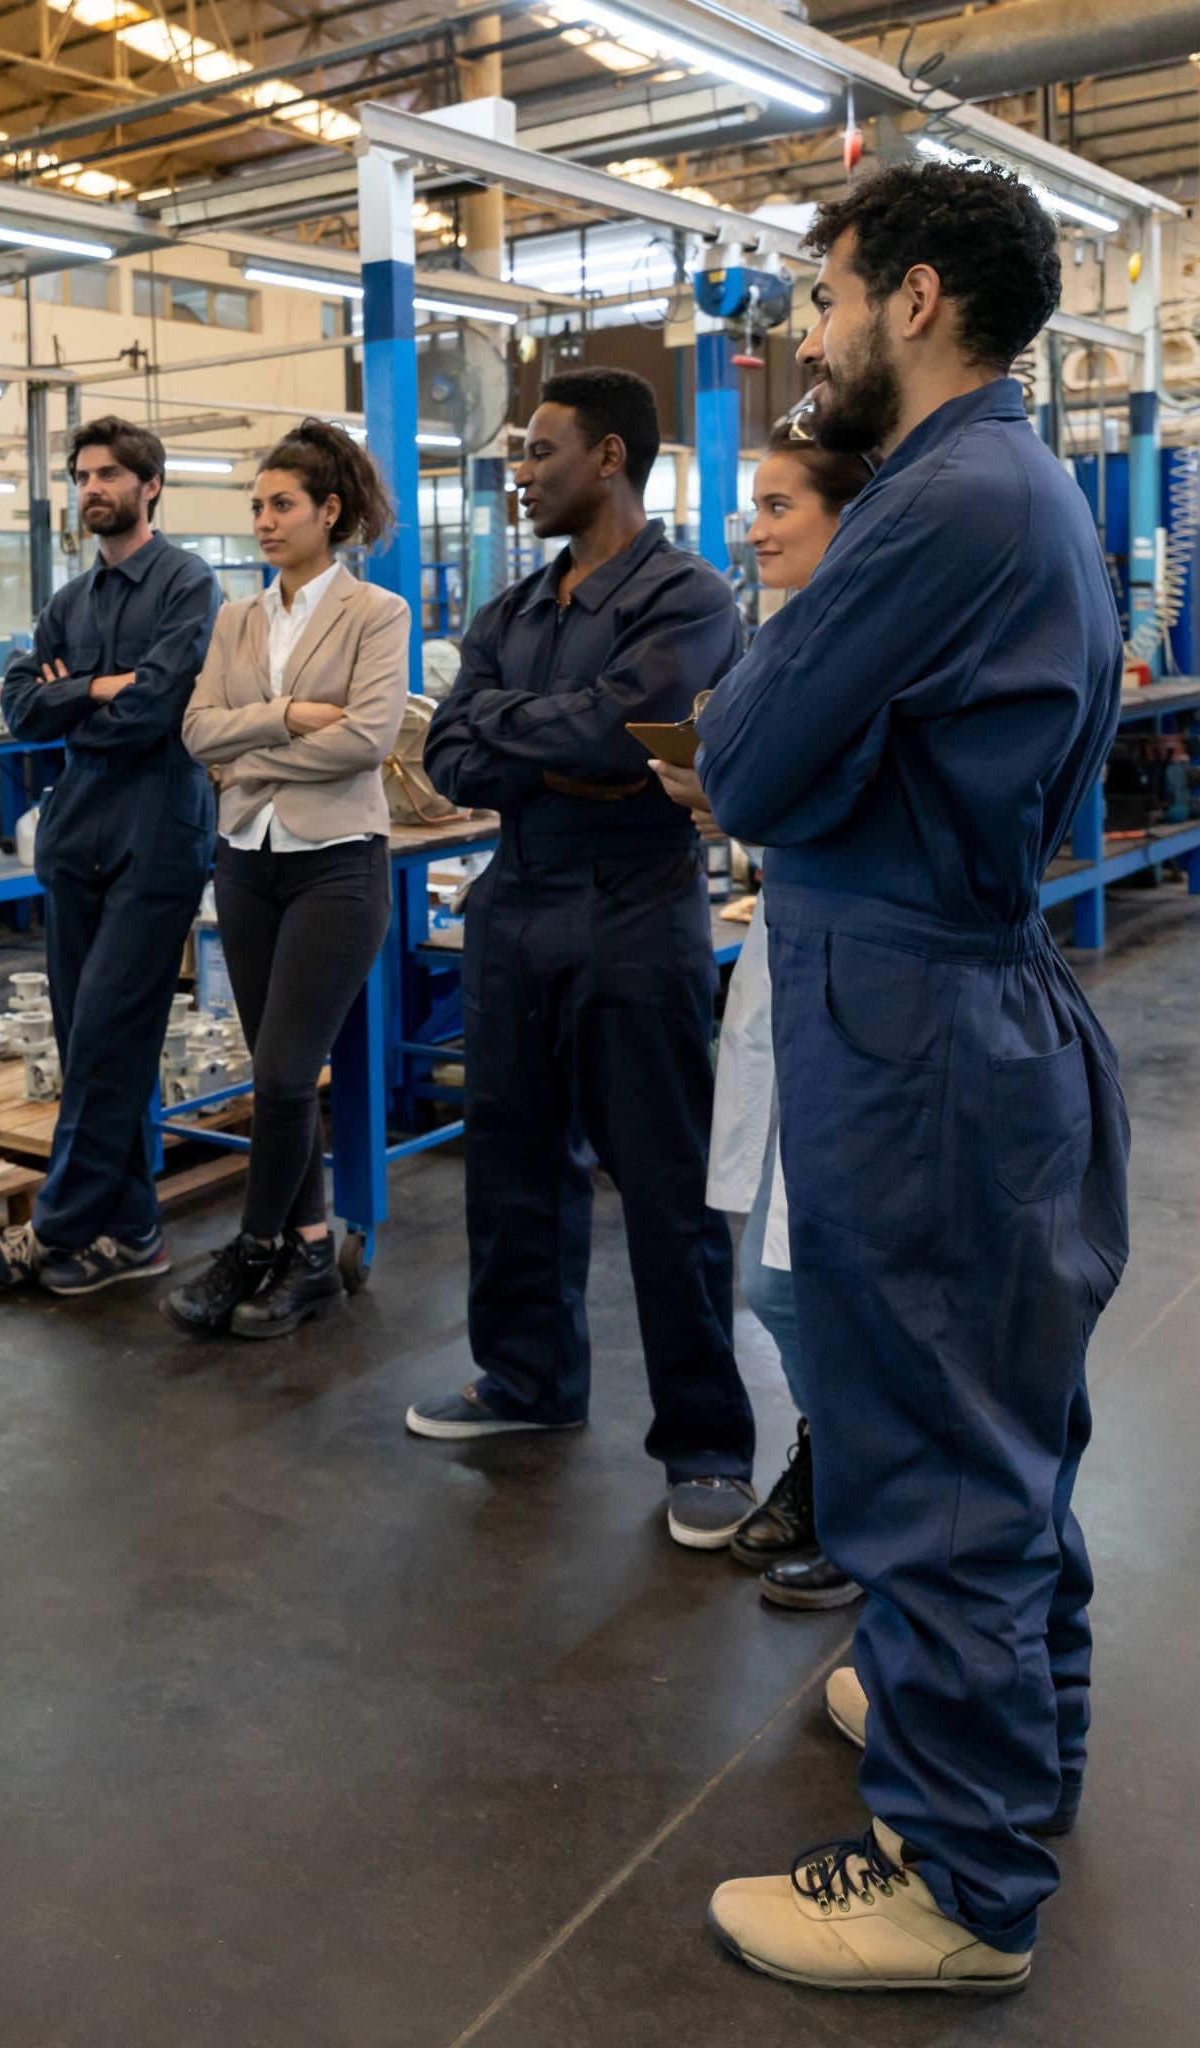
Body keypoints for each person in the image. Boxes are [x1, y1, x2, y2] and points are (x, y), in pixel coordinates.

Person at [699, 162, 1129, 1994]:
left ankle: (954, 1879)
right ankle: (1002, 1732)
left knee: (931, 1445)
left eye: (823, 295)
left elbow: (744, 756)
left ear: (916, 299)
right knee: (986, 1428)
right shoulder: (1001, 488)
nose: (806, 332)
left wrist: (771, 718)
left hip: (916, 1028)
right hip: (942, 1002)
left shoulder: (939, 502)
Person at [407, 366, 758, 1553]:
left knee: (661, 1178)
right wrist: (551, 748)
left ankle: (706, 1440)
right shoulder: (510, 611)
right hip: (514, 902)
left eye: (539, 452)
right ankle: (525, 1379)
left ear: (608, 457)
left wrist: (536, 740)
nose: (520, 473)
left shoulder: (688, 596)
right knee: (507, 1157)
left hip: (633, 902)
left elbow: (630, 726)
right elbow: (448, 754)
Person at [651, 420, 872, 1613]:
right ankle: (830, 1461)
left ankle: (857, 1489)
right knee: (771, 1269)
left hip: (853, 965)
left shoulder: (861, 640)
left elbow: (839, 794)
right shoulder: (782, 636)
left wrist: (731, 790)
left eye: (779, 505)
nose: (755, 527)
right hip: (786, 946)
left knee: (806, 1271)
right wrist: (721, 798)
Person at [0, 418, 221, 1296]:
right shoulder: (69, 600)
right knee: (88, 1041)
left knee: (112, 1026)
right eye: (81, 475)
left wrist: (73, 695)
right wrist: (94, 689)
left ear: (150, 484)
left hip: (158, 830)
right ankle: (136, 1230)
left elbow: (157, 706)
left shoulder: (188, 583)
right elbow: (17, 706)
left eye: (109, 473)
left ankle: (59, 1225)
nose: (91, 488)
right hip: (78, 832)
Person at [169, 421, 407, 1335]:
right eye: (257, 506)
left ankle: (253, 1246)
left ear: (329, 511)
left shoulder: (374, 614)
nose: (264, 521)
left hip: (337, 867)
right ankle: (311, 1254)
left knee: (278, 1071)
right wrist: (286, 717)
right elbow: (197, 732)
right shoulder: (237, 618)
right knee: (283, 1077)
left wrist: (255, 752)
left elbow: (367, 740)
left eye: (281, 505)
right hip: (246, 862)